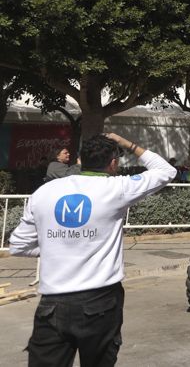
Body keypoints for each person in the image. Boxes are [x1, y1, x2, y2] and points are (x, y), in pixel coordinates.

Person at [9, 133, 175, 366]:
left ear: (80, 160)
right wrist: (128, 143)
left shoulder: (43, 192)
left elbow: (18, 245)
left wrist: (57, 247)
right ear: (113, 163)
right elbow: (165, 170)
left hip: (52, 304)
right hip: (100, 302)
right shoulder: (117, 188)